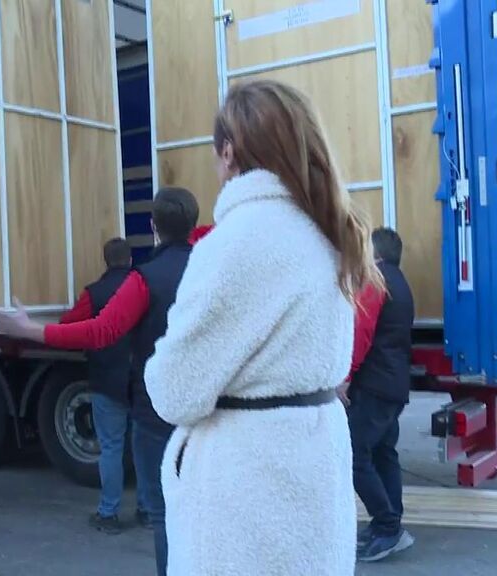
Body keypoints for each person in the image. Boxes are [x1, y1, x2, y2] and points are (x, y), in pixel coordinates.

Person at [139, 79, 382, 575]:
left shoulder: (231, 245)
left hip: (245, 496)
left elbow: (175, 392)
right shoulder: (330, 234)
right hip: (316, 467)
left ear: (228, 152)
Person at [0, 187, 208, 576]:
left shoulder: (144, 281)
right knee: (203, 510)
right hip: (210, 412)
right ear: (194, 224)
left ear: (153, 227)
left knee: (165, 513)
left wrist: (30, 330)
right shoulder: (214, 268)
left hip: (157, 415)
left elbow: (100, 332)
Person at [59, 237, 142, 534]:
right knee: (141, 446)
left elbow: (68, 324)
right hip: (141, 380)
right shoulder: (144, 286)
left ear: (105, 262)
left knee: (111, 447)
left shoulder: (93, 293)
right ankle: (145, 510)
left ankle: (109, 514)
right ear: (130, 260)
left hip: (107, 380)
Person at [342, 227, 415, 562]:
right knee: (384, 453)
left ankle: (387, 528)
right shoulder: (400, 281)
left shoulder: (376, 280)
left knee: (355, 455)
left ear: (376, 254)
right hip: (393, 385)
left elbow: (361, 332)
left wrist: (344, 377)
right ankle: (389, 521)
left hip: (374, 385)